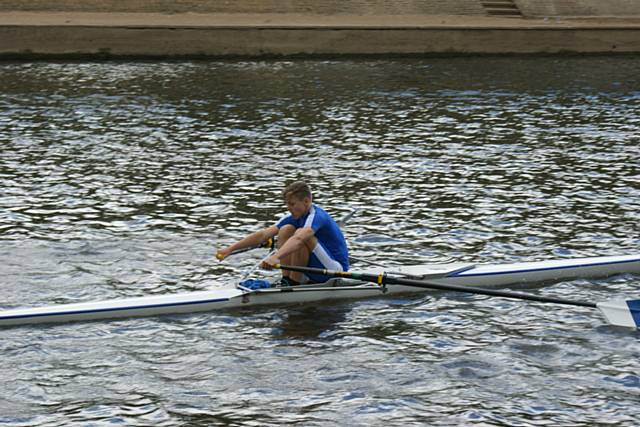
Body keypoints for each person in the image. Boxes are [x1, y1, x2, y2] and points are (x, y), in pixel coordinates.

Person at [216, 181, 349, 285]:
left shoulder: (317, 216)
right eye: (287, 204)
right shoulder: (293, 215)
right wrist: (230, 249)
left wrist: (276, 257)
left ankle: (294, 283)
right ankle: (287, 279)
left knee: (301, 235)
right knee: (286, 229)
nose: (288, 208)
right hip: (315, 269)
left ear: (306, 201)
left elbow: (298, 239)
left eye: (291, 204)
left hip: (335, 270)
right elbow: (263, 235)